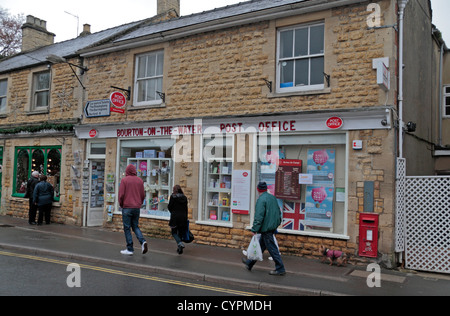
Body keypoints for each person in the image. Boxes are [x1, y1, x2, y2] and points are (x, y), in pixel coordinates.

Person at [242, 182, 286, 276]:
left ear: (258, 189)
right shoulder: (272, 197)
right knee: (261, 246)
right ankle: (249, 263)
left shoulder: (261, 200)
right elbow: (278, 212)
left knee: (272, 249)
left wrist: (254, 229)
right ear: (266, 189)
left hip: (266, 228)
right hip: (271, 226)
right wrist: (276, 224)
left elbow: (259, 216)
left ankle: (280, 268)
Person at [118, 164, 148, 256]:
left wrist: (121, 204)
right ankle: (143, 241)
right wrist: (139, 203)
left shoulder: (124, 180)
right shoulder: (139, 180)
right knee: (135, 226)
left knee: (127, 228)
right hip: (136, 208)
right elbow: (143, 194)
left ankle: (130, 249)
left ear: (127, 171)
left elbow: (121, 195)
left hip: (127, 207)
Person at [168, 185, 189, 254]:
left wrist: (173, 212)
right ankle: (179, 249)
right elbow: (186, 209)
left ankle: (179, 243)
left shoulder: (173, 197)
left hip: (175, 217)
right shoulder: (184, 198)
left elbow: (169, 207)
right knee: (180, 232)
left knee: (174, 232)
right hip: (183, 217)